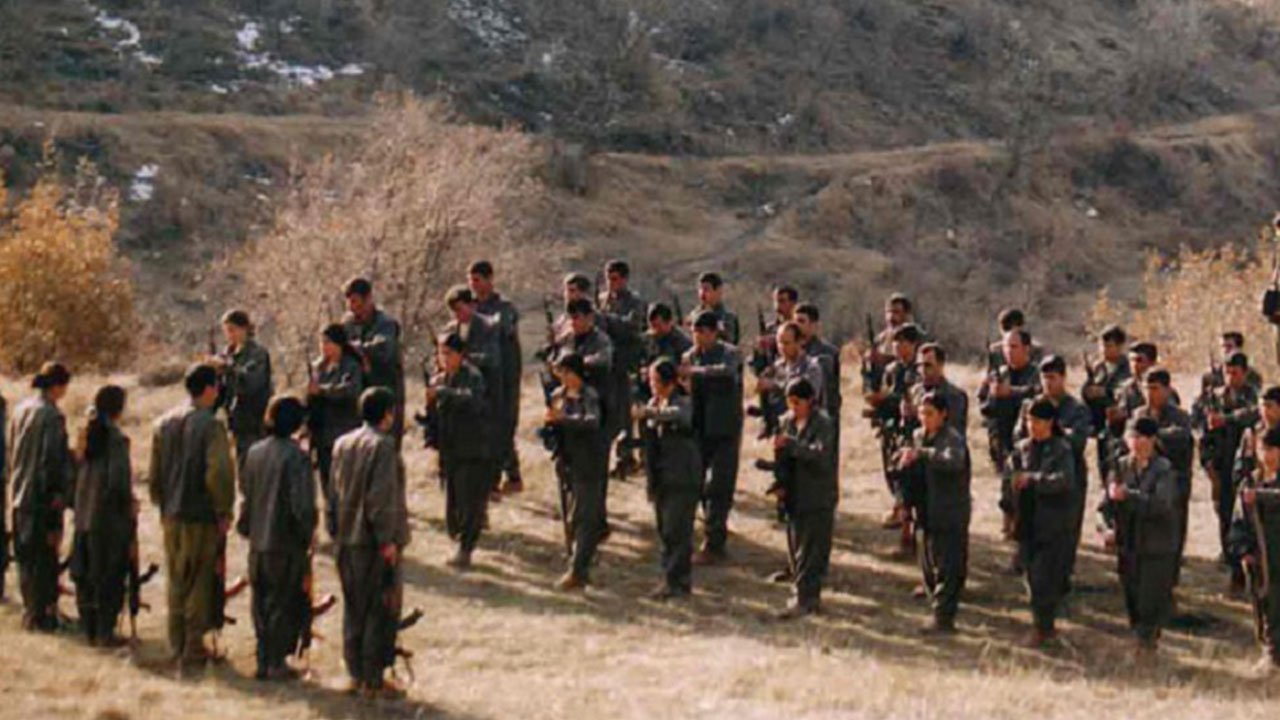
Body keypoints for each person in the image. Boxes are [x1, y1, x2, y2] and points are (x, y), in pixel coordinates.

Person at [149, 364, 235, 670]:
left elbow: (154, 475)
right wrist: (224, 510)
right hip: (200, 515)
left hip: (171, 513)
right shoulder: (211, 426)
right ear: (210, 388)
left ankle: (176, 644)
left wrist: (162, 503)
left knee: (176, 579)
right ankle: (194, 648)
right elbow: (219, 473)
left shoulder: (163, 423)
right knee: (199, 581)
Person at [332, 387, 409, 698]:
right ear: (387, 414)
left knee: (354, 607)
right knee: (380, 608)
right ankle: (373, 677)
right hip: (372, 542)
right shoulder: (383, 447)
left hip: (346, 539)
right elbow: (381, 499)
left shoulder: (342, 443)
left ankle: (354, 673)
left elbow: (333, 492)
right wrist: (387, 540)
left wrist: (335, 529)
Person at [236, 396, 316, 681]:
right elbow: (301, 505)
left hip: (258, 540)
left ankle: (263, 657)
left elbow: (247, 494)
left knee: (261, 601)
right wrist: (308, 534)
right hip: (285, 541)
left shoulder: (254, 452)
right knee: (284, 602)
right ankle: (276, 662)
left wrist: (246, 527)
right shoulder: (297, 457)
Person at [895, 391, 970, 634]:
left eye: (930, 414)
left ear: (943, 414)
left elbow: (954, 461)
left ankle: (944, 618)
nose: (924, 419)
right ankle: (936, 608)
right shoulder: (918, 436)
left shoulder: (952, 438)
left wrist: (924, 455)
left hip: (949, 510)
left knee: (948, 566)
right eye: (921, 413)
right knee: (927, 563)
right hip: (925, 508)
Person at [1017, 355, 1091, 592]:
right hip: (1034, 470)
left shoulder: (1076, 408)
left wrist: (1054, 433)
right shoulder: (1031, 406)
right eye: (1044, 377)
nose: (1048, 383)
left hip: (1068, 474)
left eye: (1053, 377)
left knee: (1066, 530)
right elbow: (1019, 436)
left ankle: (1062, 578)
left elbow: (1078, 440)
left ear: (1063, 378)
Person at [1106, 417, 1179, 656]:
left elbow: (1161, 505)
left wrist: (1129, 496)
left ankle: (1147, 645)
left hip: (1156, 544)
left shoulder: (1164, 469)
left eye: (1141, 438)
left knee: (1151, 597)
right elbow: (1104, 505)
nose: (1136, 443)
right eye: (1132, 437)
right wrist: (1106, 528)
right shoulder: (1120, 466)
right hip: (1128, 542)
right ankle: (1140, 638)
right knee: (1131, 596)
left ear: (1153, 440)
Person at [9, 362, 74, 632]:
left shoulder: (20, 410)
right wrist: (58, 494)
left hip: (19, 492)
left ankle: (29, 610)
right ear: (58, 386)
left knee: (25, 557)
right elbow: (51, 460)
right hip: (42, 496)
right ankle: (43, 615)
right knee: (45, 557)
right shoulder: (51, 416)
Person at [767, 378, 838, 619]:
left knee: (813, 549)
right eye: (790, 402)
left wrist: (793, 445)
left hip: (817, 493)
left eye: (798, 402)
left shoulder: (824, 423)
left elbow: (820, 455)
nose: (793, 407)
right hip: (794, 493)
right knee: (795, 546)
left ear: (810, 401)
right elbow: (782, 458)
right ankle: (800, 594)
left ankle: (807, 598)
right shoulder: (786, 421)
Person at [1010, 398, 1079, 647]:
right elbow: (1011, 477)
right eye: (1030, 420)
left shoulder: (1061, 449)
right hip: (1026, 520)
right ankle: (1042, 624)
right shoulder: (1022, 448)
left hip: (1053, 521)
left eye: (1038, 421)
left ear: (1050, 423)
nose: (1033, 426)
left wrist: (1035, 480)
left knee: (1044, 577)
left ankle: (1044, 627)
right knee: (1029, 575)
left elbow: (1064, 481)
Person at [70, 385, 132, 647]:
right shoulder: (116, 439)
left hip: (83, 513)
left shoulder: (85, 434)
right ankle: (106, 631)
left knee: (85, 575)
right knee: (108, 576)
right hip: (106, 519)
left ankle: (88, 628)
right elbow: (117, 482)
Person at [634, 358, 701, 600]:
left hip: (682, 477)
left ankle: (678, 582)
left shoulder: (681, 401)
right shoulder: (656, 402)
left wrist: (649, 413)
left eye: (654, 381)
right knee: (665, 532)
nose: (651, 385)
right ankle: (669, 579)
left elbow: (679, 416)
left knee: (678, 531)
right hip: (663, 476)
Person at [683, 310, 744, 564]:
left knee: (720, 485)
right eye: (694, 332)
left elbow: (725, 371)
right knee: (696, 484)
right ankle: (708, 530)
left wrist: (694, 372)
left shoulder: (730, 352)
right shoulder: (690, 355)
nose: (697, 337)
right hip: (699, 427)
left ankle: (715, 542)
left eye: (702, 332)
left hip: (725, 428)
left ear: (713, 332)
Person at [1194, 351, 1260, 587]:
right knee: (1225, 516)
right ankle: (1233, 567)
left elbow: (1255, 415)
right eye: (1227, 372)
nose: (1230, 377)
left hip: (1246, 468)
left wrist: (1228, 419)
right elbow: (1203, 432)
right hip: (1221, 466)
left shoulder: (1252, 395)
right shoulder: (1215, 397)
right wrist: (1208, 464)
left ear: (1244, 372)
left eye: (1235, 372)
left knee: (1247, 517)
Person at [427, 333, 491, 570]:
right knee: (452, 500)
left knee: (469, 501)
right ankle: (458, 540)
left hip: (472, 448)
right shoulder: (440, 378)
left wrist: (443, 393)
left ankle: (466, 548)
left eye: (448, 353)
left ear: (460, 354)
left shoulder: (472, 376)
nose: (444, 358)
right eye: (441, 353)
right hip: (449, 448)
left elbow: (473, 400)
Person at [545, 353, 608, 591]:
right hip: (567, 460)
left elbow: (592, 421)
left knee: (584, 515)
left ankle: (578, 568)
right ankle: (576, 559)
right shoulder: (557, 395)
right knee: (569, 516)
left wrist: (566, 419)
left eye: (568, 372)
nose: (564, 377)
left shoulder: (589, 395)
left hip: (589, 461)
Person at [979, 329, 1042, 543]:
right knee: (1006, 484)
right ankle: (1007, 524)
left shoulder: (1036, 373)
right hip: (1001, 437)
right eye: (1005, 347)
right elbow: (984, 407)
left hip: (1027, 438)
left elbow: (1038, 396)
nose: (1009, 351)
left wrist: (1012, 392)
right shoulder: (998, 374)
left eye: (1014, 347)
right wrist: (993, 395)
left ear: (1026, 348)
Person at [1130, 369, 1194, 578]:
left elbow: (1180, 437)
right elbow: (1129, 437)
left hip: (1174, 482)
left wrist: (1152, 435)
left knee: (1172, 531)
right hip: (1144, 482)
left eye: (1155, 388)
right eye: (1147, 388)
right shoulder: (1139, 414)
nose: (1150, 394)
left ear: (1167, 390)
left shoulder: (1179, 416)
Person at [444, 285, 505, 501]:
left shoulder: (488, 326)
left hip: (484, 393)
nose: (457, 315)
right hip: (458, 394)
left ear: (471, 305)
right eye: (454, 311)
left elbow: (492, 358)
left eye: (460, 309)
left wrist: (464, 358)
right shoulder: (452, 329)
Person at [469, 260, 525, 494]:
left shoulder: (504, 307)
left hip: (505, 377)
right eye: (471, 280)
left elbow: (503, 328)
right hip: (480, 377)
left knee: (503, 426)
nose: (473, 285)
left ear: (490, 280)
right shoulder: (470, 305)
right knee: (486, 427)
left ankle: (509, 476)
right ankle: (499, 478)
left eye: (477, 280)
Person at [1230, 426, 1280, 673]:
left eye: (1272, 449)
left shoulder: (1257, 489)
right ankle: (1269, 653)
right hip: (1260, 556)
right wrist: (1242, 549)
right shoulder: (1250, 481)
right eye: (1263, 449)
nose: (1267, 455)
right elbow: (1238, 520)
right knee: (1263, 606)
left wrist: (1259, 497)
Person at [308, 324, 363, 540]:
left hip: (344, 429)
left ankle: (348, 527)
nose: (324, 347)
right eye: (322, 343)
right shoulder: (320, 367)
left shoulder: (351, 366)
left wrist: (323, 390)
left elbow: (350, 391)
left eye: (328, 343)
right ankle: (333, 528)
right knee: (326, 483)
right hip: (322, 432)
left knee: (345, 484)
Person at [598, 260, 648, 479]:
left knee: (627, 411)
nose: (611, 283)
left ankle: (628, 457)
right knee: (611, 411)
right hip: (607, 362)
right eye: (608, 278)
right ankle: (617, 456)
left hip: (627, 360)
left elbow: (632, 326)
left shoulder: (634, 302)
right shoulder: (601, 299)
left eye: (615, 278)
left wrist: (606, 319)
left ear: (624, 279)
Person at [343, 277, 406, 447]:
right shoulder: (348, 324)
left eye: (356, 301)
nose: (352, 307)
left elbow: (383, 349)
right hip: (359, 395)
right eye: (349, 302)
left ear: (368, 298)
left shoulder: (385, 324)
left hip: (385, 392)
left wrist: (358, 349)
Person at [211, 310, 273, 468]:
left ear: (244, 328)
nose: (229, 335)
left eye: (232, 330)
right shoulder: (228, 354)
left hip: (256, 419)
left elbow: (253, 382)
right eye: (227, 331)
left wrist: (228, 369)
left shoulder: (257, 354)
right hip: (237, 421)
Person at [1081, 325, 1132, 491]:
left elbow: (1127, 392)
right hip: (1101, 424)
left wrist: (1106, 392)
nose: (1103, 350)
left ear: (1119, 346)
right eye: (1101, 346)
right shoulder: (1099, 368)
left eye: (1108, 346)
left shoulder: (1128, 367)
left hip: (1122, 424)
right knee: (1104, 465)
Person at [794, 303, 842, 441]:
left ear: (814, 325)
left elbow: (830, 391)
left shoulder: (828, 353)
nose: (797, 326)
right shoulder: (789, 351)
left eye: (802, 321)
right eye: (795, 321)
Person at [687, 272, 741, 345]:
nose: (702, 293)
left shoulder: (727, 317)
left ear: (718, 290)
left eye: (706, 289)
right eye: (700, 289)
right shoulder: (694, 314)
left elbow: (729, 342)